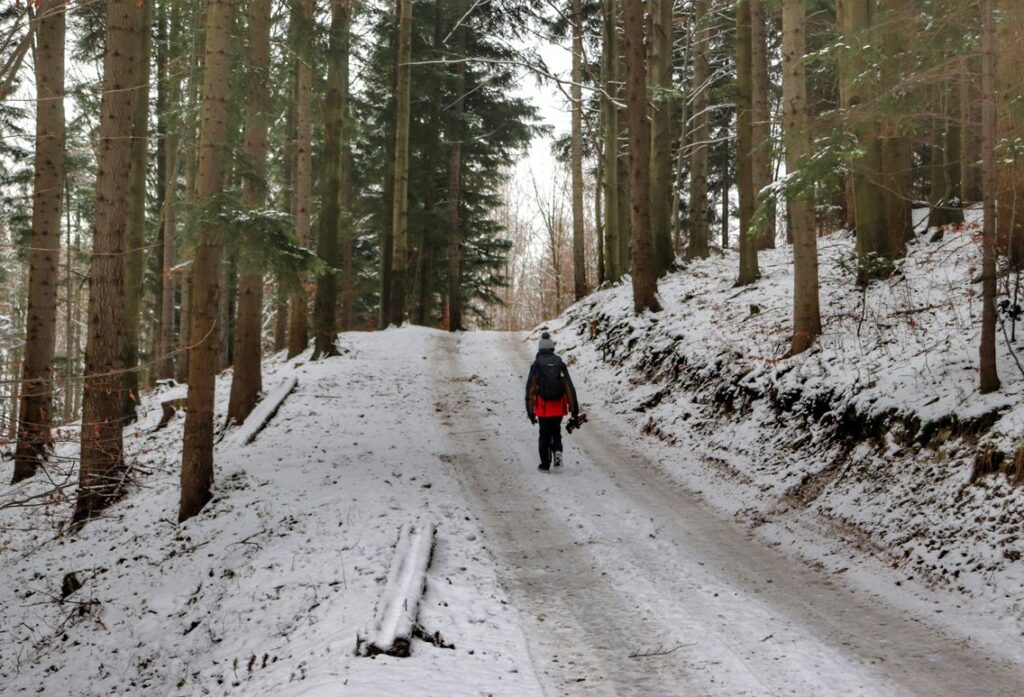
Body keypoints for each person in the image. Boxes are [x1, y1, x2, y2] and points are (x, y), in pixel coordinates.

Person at [525, 332, 579, 471]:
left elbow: (530, 389)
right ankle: (557, 451)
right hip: (558, 406)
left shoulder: (536, 365)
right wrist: (574, 410)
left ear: (540, 349)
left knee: (544, 434)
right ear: (552, 349)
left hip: (543, 408)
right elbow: (569, 386)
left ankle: (544, 464)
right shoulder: (560, 364)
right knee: (556, 431)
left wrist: (530, 411)